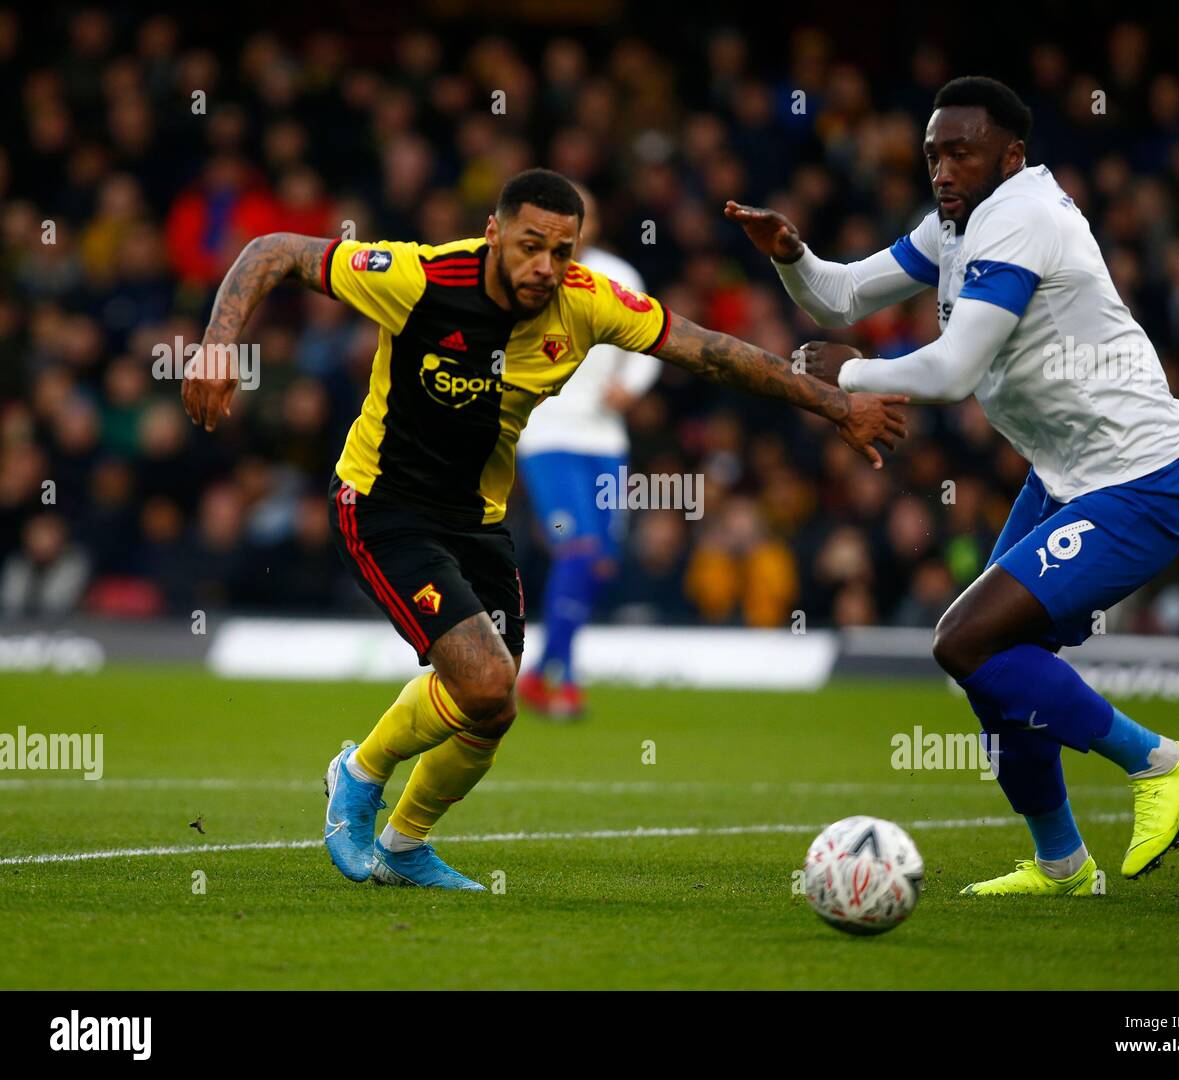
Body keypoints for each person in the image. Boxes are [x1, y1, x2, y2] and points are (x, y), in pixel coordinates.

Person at [184, 167, 907, 890]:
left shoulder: (588, 304)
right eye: (531, 246)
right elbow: (271, 250)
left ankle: (406, 846)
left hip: (478, 517)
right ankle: (358, 774)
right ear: (494, 233)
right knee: (487, 678)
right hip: (382, 504)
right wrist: (218, 345)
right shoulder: (419, 277)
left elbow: (710, 350)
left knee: (491, 708)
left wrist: (834, 405)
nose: (546, 267)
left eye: (563, 252)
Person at [728, 77, 1179, 896]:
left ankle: (1161, 763)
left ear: (1011, 156)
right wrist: (793, 257)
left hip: (1141, 482)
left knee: (963, 640)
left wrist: (845, 373)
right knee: (989, 662)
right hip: (1066, 478)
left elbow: (954, 373)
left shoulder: (1023, 219)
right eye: (932, 155)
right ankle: (1062, 865)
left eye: (961, 152)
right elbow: (841, 294)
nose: (943, 169)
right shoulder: (954, 227)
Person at [514, 186, 661, 719]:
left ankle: (537, 674)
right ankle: (568, 679)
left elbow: (652, 342)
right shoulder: (528, 274)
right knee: (575, 548)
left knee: (600, 561)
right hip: (547, 434)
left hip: (606, 439)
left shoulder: (619, 276)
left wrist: (633, 386)